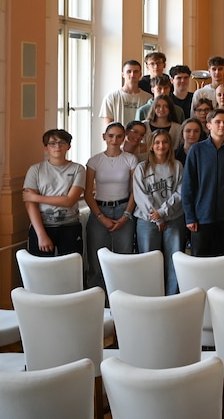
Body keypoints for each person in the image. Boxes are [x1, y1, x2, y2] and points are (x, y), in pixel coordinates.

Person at [181, 108, 224, 256]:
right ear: (209, 125)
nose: (222, 125)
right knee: (201, 259)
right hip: (202, 217)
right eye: (217, 122)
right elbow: (187, 186)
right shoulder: (197, 150)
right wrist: (190, 216)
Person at [84, 122, 139, 289]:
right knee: (96, 258)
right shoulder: (94, 160)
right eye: (111, 136)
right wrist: (101, 217)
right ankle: (97, 299)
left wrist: (125, 216)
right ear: (104, 137)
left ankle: (122, 296)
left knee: (123, 257)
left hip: (124, 209)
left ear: (124, 138)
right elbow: (87, 193)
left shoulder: (130, 159)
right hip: (99, 210)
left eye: (119, 136)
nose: (114, 140)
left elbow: (134, 191)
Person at [133, 130, 186, 294]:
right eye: (157, 142)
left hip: (173, 218)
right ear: (151, 146)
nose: (161, 146)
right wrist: (156, 218)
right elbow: (140, 196)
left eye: (164, 142)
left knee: (174, 260)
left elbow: (180, 192)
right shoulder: (142, 168)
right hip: (147, 220)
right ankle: (151, 296)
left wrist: (162, 212)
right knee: (149, 260)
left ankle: (171, 297)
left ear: (170, 145)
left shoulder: (177, 166)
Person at [22, 129, 86, 257]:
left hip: (69, 226)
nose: (57, 146)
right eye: (52, 143)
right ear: (46, 148)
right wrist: (41, 234)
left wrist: (36, 197)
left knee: (70, 269)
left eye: (62, 143)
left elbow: (69, 201)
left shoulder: (78, 169)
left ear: (68, 146)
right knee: (41, 269)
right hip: (42, 226)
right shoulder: (35, 170)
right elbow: (30, 204)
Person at [99, 59, 150, 125]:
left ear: (140, 74)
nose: (132, 75)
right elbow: (109, 126)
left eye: (136, 72)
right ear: (123, 74)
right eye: (129, 71)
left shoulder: (148, 98)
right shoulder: (111, 98)